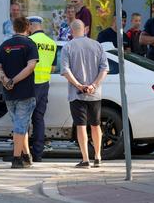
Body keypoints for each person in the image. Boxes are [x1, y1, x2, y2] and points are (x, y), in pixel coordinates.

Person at [61, 19, 109, 169]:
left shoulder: (67, 47)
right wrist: (94, 85)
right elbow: (104, 69)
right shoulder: (97, 45)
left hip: (77, 93)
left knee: (81, 125)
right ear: (85, 30)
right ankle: (98, 156)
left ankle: (85, 159)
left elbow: (65, 70)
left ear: (71, 31)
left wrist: (79, 85)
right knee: (96, 124)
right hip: (95, 93)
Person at [0, 17, 38, 168]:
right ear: (28, 28)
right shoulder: (29, 44)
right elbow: (31, 67)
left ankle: (26, 156)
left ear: (14, 28)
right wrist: (14, 80)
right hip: (25, 92)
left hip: (9, 93)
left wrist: (6, 80)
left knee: (20, 125)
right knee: (20, 126)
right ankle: (17, 158)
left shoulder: (4, 45)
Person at [28, 16, 57, 162]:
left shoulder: (30, 41)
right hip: (44, 84)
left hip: (30, 83)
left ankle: (23, 152)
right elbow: (53, 67)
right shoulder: (51, 43)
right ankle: (37, 154)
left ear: (31, 25)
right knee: (39, 119)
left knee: (25, 118)